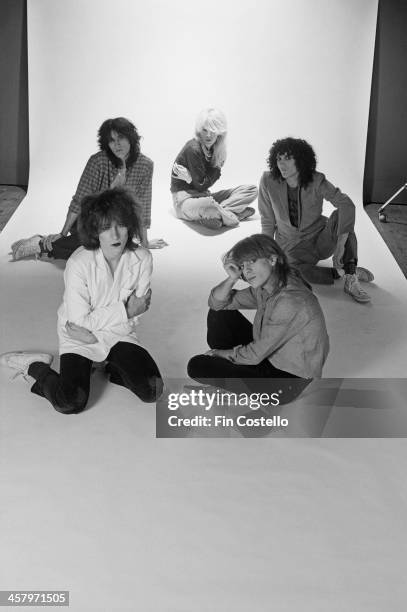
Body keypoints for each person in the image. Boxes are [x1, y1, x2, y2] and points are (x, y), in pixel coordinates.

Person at [1, 188, 163, 413]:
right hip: (77, 338)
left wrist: (107, 325)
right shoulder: (79, 263)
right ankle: (35, 367)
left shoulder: (142, 258)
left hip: (117, 334)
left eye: (121, 225)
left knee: (153, 391)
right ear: (95, 231)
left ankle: (109, 365)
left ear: (130, 226)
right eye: (106, 227)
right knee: (70, 402)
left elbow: (138, 312)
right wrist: (125, 310)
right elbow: (79, 321)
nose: (115, 235)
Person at [187, 234, 329, 403]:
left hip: (287, 380)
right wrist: (232, 278)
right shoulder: (268, 285)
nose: (246, 271)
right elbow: (218, 304)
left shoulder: (290, 301)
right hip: (270, 355)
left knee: (197, 365)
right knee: (220, 313)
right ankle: (233, 379)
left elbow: (255, 355)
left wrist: (219, 354)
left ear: (272, 259)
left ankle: (254, 400)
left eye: (252, 261)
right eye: (242, 265)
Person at [11, 117, 167, 261]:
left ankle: (57, 246)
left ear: (131, 139)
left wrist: (145, 242)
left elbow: (143, 205)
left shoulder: (146, 165)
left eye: (120, 138)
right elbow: (80, 199)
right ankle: (42, 244)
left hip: (116, 224)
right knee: (93, 247)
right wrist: (62, 233)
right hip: (88, 219)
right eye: (112, 141)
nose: (116, 144)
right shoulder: (98, 161)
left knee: (108, 253)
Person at [258, 137, 374, 303]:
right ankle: (342, 272)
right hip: (292, 248)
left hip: (320, 240)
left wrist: (341, 244)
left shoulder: (316, 180)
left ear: (301, 160)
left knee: (344, 217)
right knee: (293, 272)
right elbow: (267, 221)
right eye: (279, 159)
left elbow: (346, 204)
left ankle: (350, 274)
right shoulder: (268, 181)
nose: (282, 164)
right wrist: (266, 254)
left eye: (288, 158)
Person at [171, 108, 258, 230]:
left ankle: (218, 216)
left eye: (213, 131)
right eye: (204, 130)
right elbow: (201, 185)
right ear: (199, 131)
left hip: (204, 195)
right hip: (185, 201)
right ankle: (233, 216)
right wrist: (217, 167)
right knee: (209, 204)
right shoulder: (193, 148)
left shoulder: (214, 149)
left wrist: (192, 179)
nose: (208, 135)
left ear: (219, 132)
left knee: (251, 190)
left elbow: (202, 187)